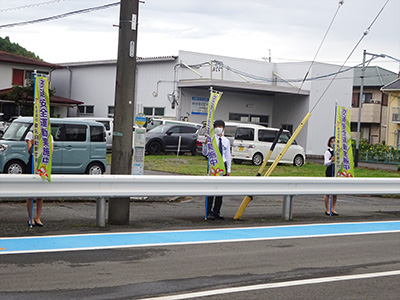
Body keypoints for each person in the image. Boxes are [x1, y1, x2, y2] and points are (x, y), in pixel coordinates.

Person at [202, 120, 231, 220]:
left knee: (220, 191)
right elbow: (205, 153)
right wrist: (205, 144)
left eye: (220, 126)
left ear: (224, 128)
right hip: (214, 166)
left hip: (223, 166)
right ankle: (208, 211)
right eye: (216, 126)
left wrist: (229, 170)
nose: (218, 128)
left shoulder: (226, 141)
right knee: (211, 190)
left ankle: (217, 211)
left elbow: (228, 156)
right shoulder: (211, 139)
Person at [25, 131, 44, 227]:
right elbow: (30, 151)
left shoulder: (48, 135)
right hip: (32, 164)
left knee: (40, 194)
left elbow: (51, 151)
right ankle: (30, 218)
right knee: (30, 193)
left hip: (42, 165)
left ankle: (38, 217)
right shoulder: (31, 134)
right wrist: (32, 144)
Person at [324, 136, 338, 216]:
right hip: (329, 171)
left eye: (334, 141)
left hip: (336, 172)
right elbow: (325, 163)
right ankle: (327, 209)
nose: (333, 143)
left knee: (335, 192)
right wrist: (331, 160)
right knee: (328, 192)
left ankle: (333, 208)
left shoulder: (338, 152)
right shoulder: (328, 152)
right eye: (332, 141)